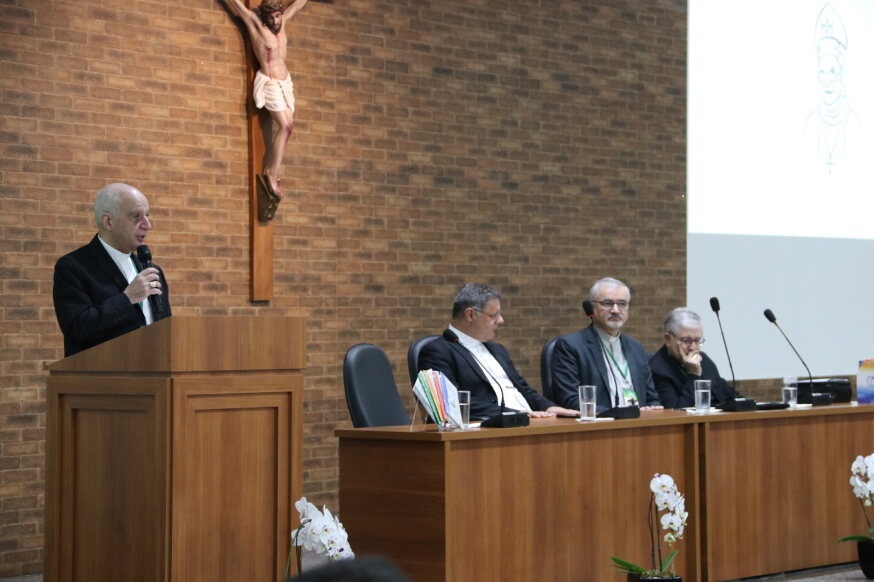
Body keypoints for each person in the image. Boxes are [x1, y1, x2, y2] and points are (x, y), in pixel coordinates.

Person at [417, 283, 578, 421]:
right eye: (494, 315)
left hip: (526, 423)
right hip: (490, 432)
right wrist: (514, 414)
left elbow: (522, 389)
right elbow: (452, 402)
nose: (501, 321)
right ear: (470, 315)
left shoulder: (497, 349)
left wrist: (548, 407)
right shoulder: (437, 351)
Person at [53, 183, 171, 357]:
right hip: (102, 377)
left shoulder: (152, 271)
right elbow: (77, 329)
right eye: (136, 216)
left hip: (153, 374)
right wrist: (127, 298)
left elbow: (164, 324)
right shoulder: (73, 267)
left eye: (147, 216)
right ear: (108, 221)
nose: (147, 225)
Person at [220, 0, 308, 216]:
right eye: (273, 16)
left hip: (285, 82)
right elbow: (236, 5)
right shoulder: (255, 24)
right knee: (286, 126)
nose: (277, 20)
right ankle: (271, 171)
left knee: (290, 128)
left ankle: (273, 169)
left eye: (279, 15)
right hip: (269, 83)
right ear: (265, 15)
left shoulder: (283, 22)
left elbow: (297, 5)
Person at [550, 277, 661, 413]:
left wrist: (653, 408)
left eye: (622, 303)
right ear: (592, 308)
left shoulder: (636, 347)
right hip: (598, 428)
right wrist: (617, 414)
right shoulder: (570, 346)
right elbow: (571, 400)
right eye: (607, 303)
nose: (615, 310)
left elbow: (652, 398)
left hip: (638, 426)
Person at [649, 307, 739, 409]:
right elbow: (674, 411)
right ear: (668, 339)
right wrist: (693, 375)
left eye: (697, 340)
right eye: (686, 340)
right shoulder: (658, 369)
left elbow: (726, 393)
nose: (693, 347)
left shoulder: (703, 359)